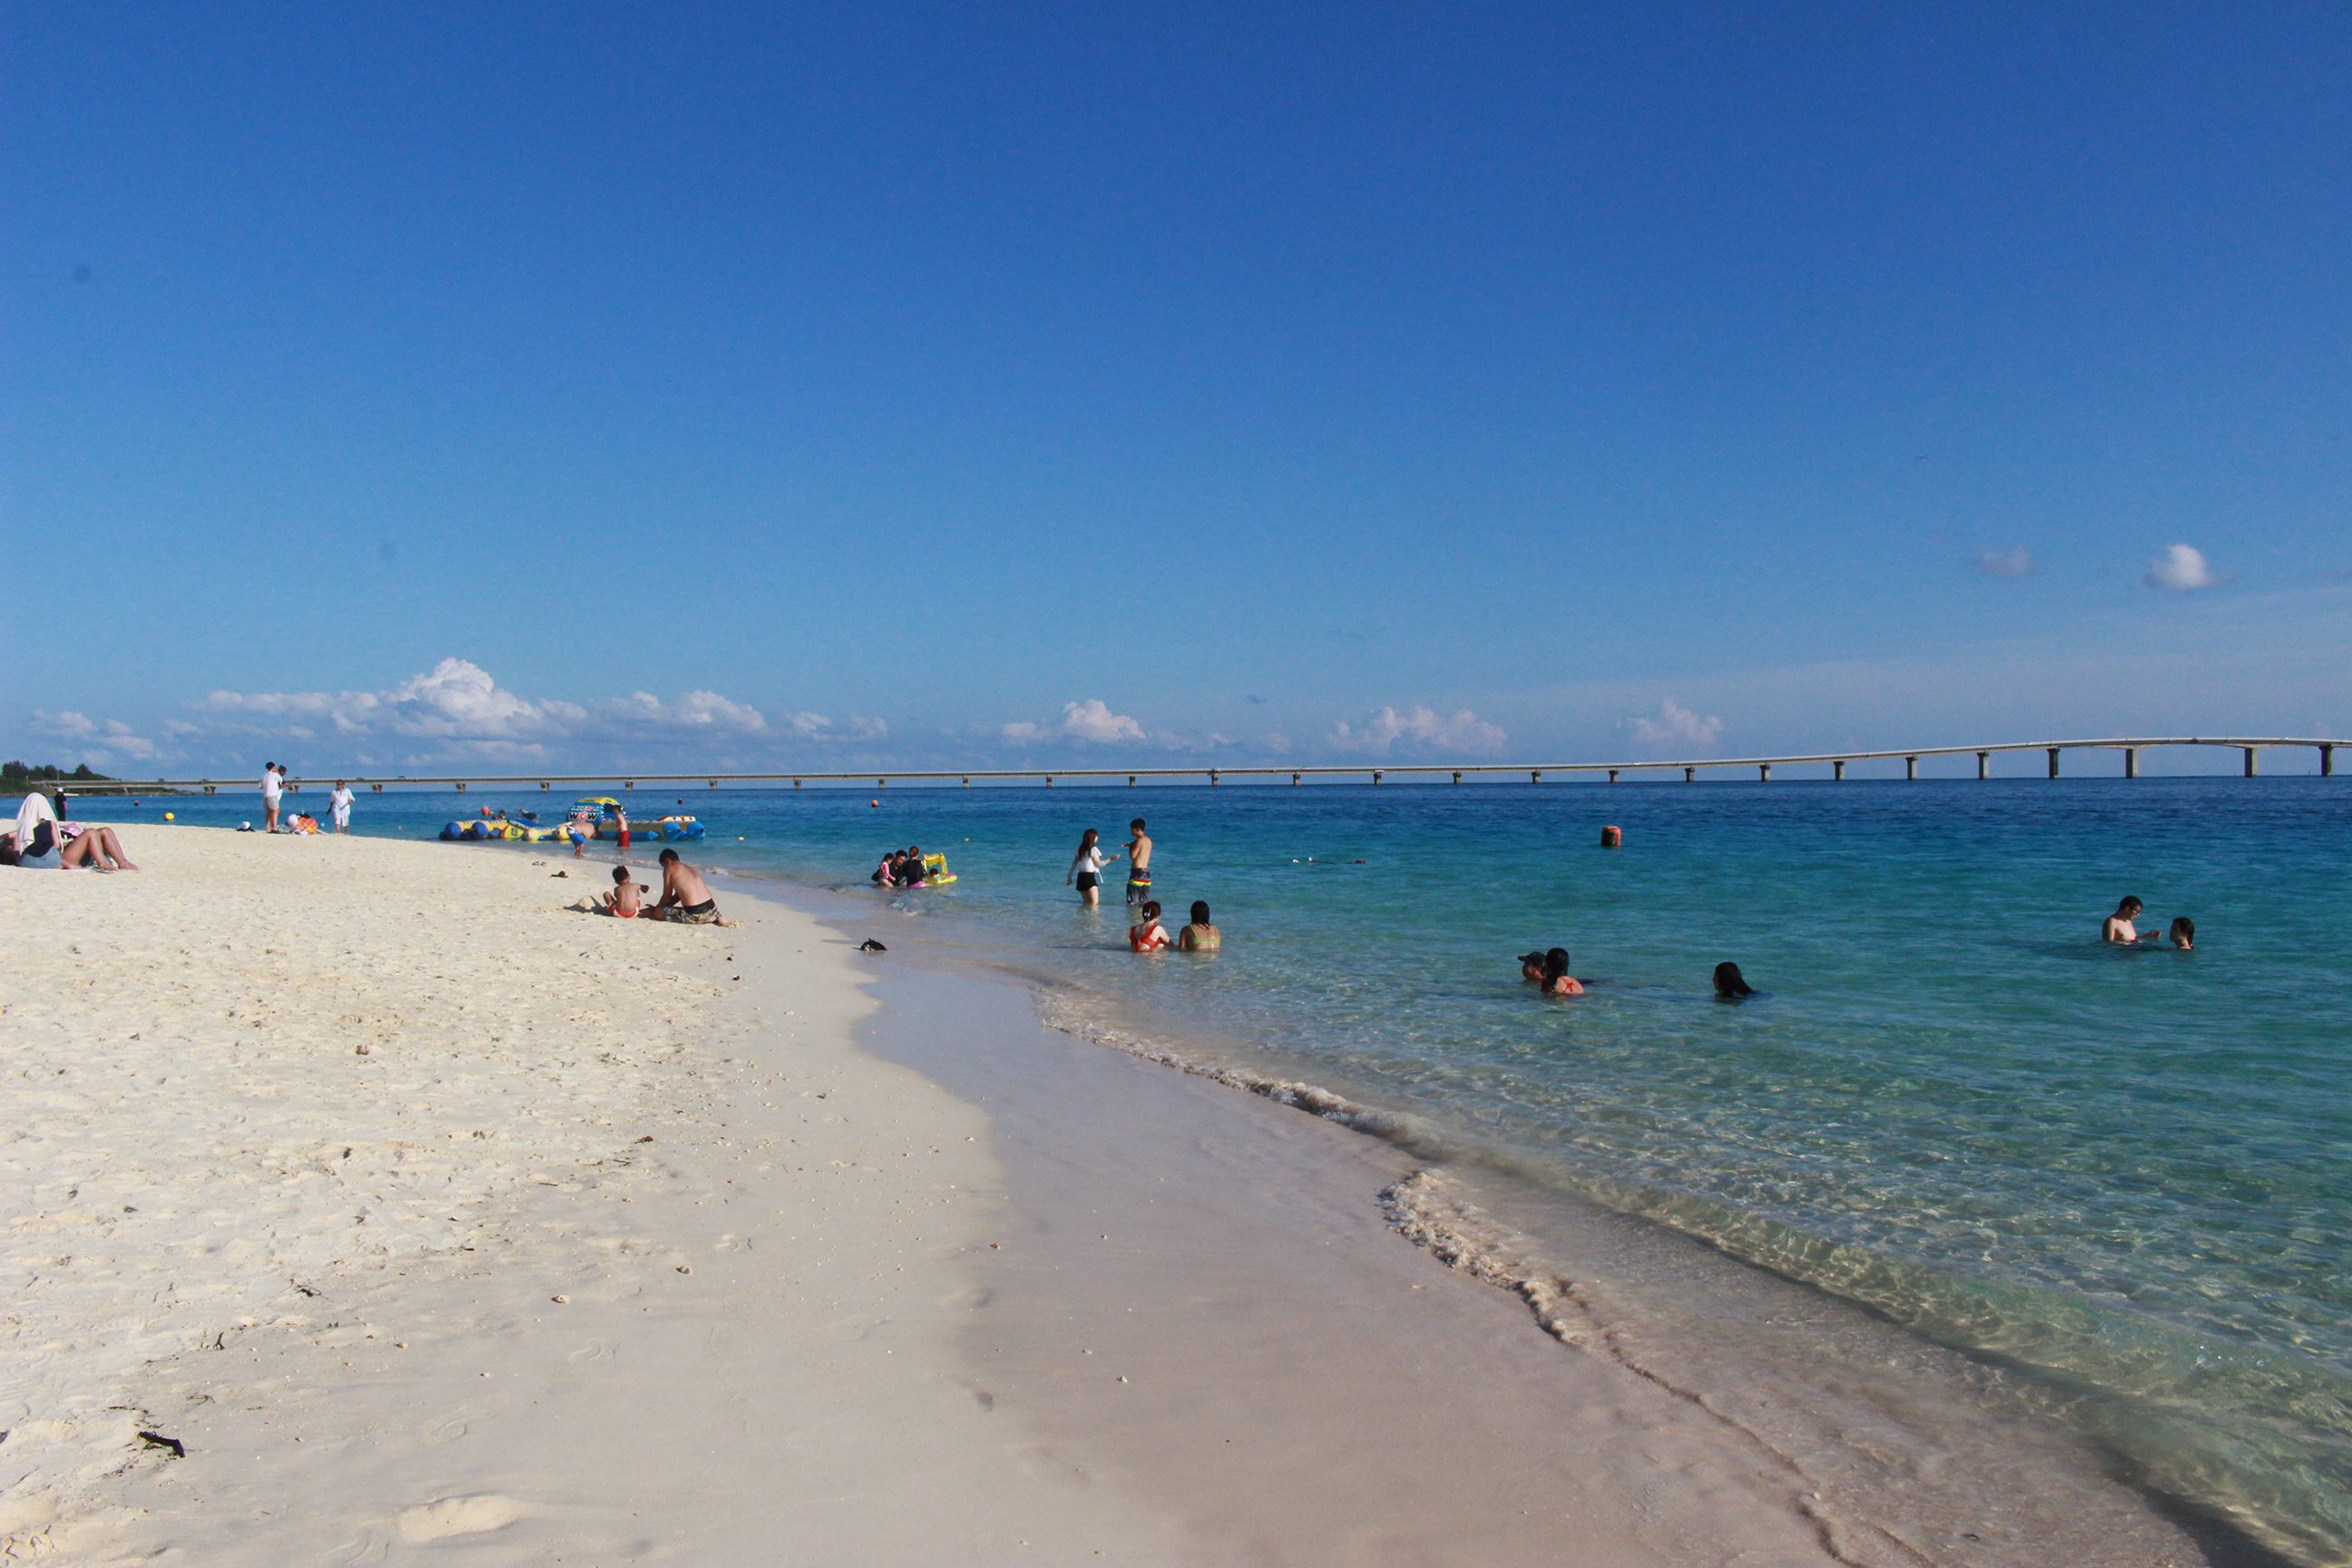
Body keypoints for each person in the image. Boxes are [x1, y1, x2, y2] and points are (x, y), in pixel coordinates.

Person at [645, 848, 725, 925]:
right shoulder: (688, 868)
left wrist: (656, 909)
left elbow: (666, 897)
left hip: (695, 915)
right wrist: (666, 906)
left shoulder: (669, 868)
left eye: (663, 866)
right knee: (663, 909)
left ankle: (703, 918)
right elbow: (678, 896)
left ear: (667, 861)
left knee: (658, 913)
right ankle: (716, 918)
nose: (664, 868)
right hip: (713, 910)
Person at [1067, 828, 1108, 906]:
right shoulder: (1093, 849)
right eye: (1096, 836)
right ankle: (1091, 918)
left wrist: (1069, 876)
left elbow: (1074, 863)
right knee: (1094, 905)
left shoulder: (1080, 849)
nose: (1098, 838)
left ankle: (1084, 918)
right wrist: (1111, 859)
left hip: (1080, 878)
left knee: (1086, 904)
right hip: (1089, 877)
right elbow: (1099, 864)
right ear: (1093, 838)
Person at [1122, 818, 1153, 905]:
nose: (1131, 831)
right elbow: (1142, 851)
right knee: (1144, 902)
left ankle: (1133, 918)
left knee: (1132, 902)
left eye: (1132, 829)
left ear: (1138, 829)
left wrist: (1130, 847)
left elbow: (1133, 856)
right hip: (1146, 874)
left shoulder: (1138, 841)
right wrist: (1132, 844)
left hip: (1137, 873)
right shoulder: (1148, 840)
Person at [261, 762, 283, 834]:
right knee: (275, 811)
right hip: (272, 795)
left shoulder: (264, 776)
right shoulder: (275, 775)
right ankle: (274, 827)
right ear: (273, 767)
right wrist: (277, 772)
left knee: (268, 812)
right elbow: (281, 780)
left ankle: (268, 828)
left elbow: (260, 786)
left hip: (265, 796)